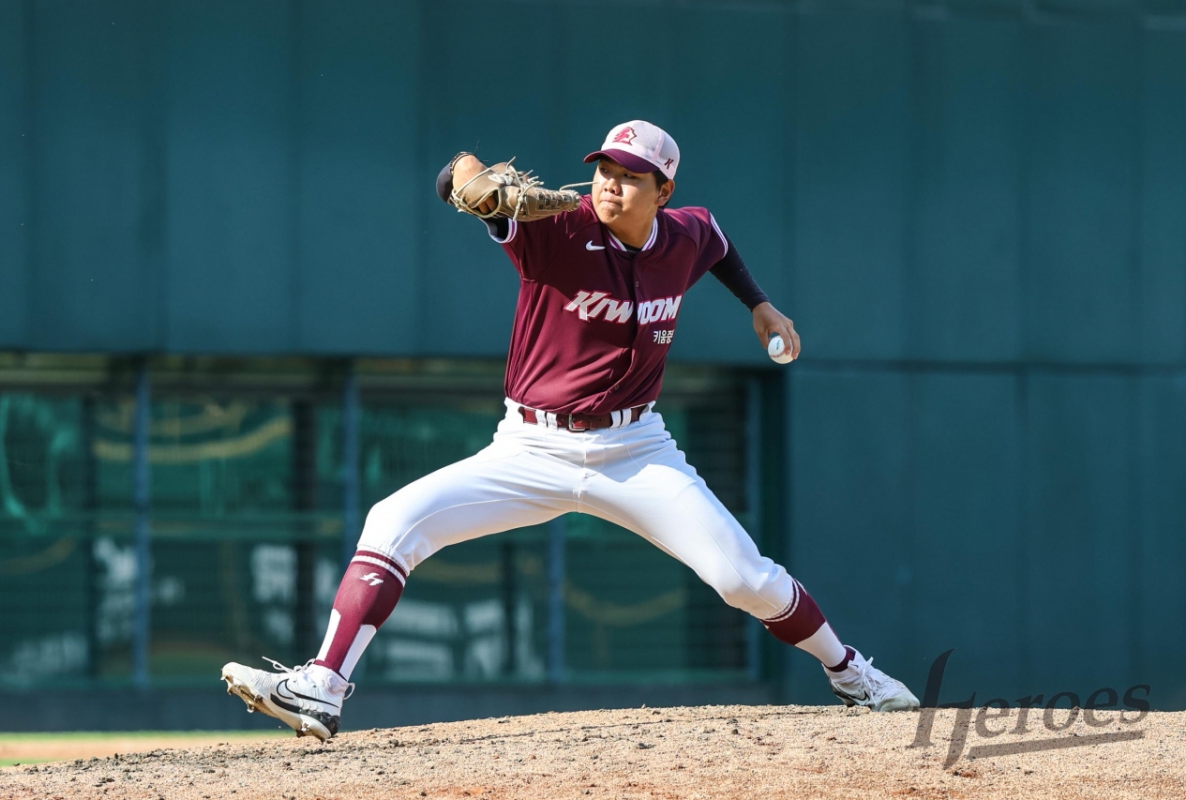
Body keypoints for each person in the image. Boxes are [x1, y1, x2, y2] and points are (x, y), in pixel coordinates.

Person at [222, 120, 919, 740]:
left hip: (636, 450)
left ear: (663, 191)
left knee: (743, 578)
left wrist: (762, 307)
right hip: (530, 446)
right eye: (605, 171)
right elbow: (455, 177)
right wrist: (475, 180)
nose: (611, 186)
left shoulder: (686, 235)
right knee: (395, 518)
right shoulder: (553, 230)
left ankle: (850, 671)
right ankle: (322, 686)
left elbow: (720, 244)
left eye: (630, 177)